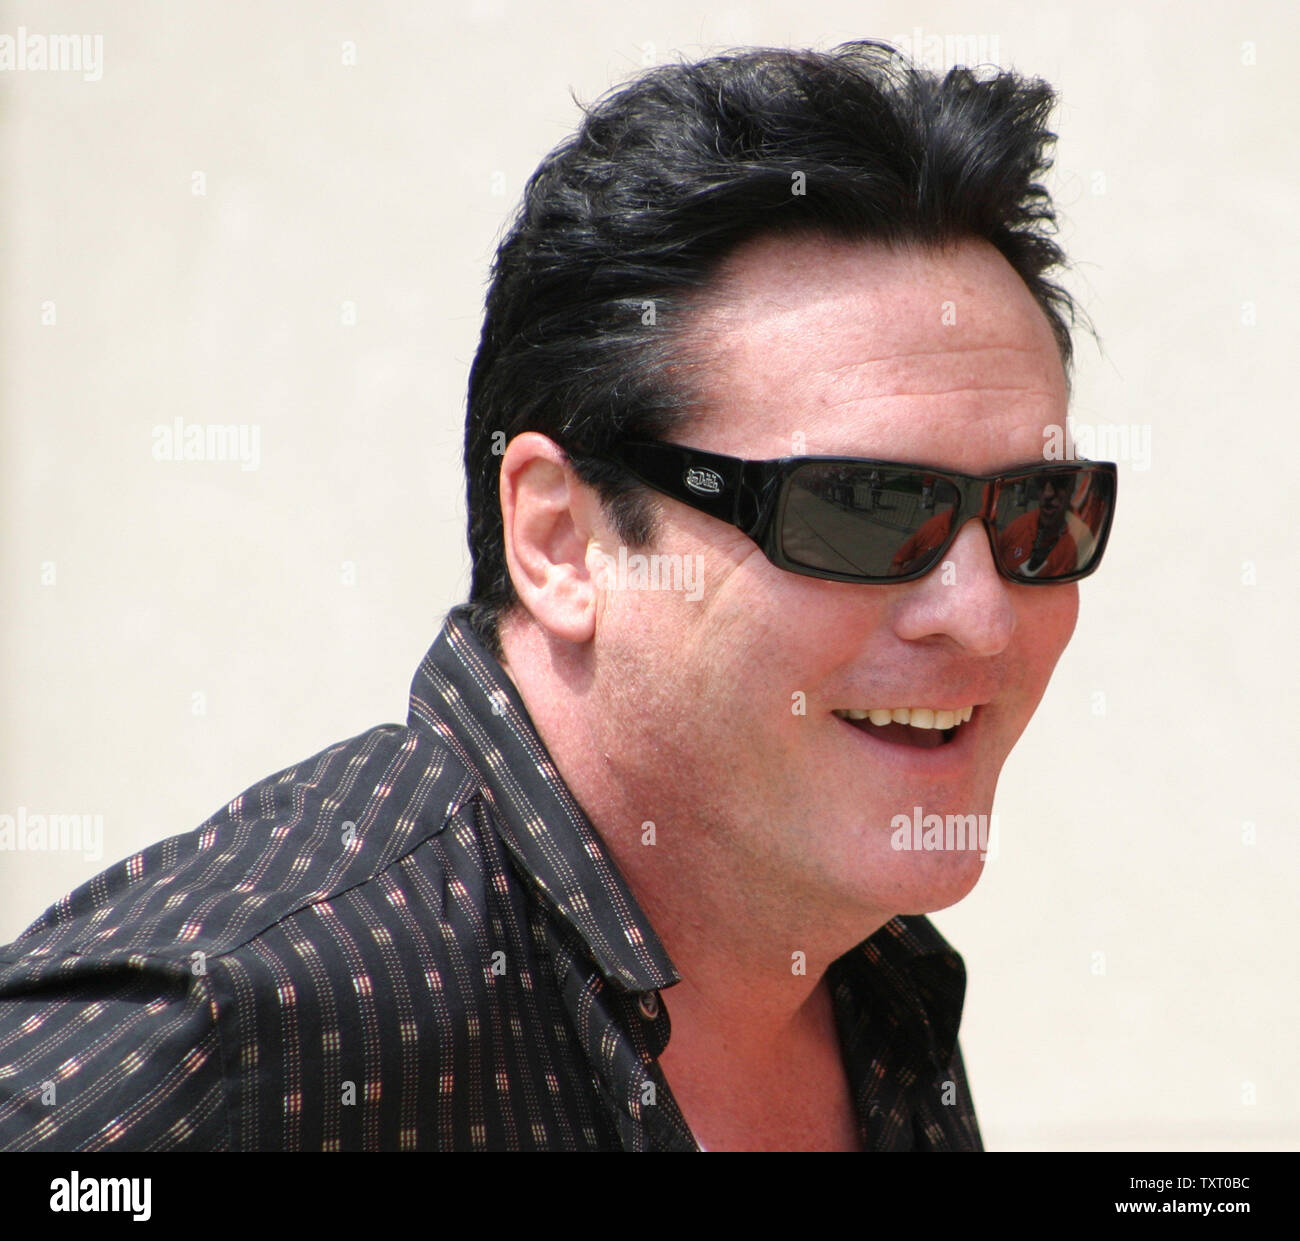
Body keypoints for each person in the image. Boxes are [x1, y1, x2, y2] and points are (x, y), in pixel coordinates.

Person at [0, 39, 1116, 1152]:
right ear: (561, 540)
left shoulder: (877, 987)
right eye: (864, 508)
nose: (980, 615)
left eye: (1038, 511)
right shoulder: (239, 1024)